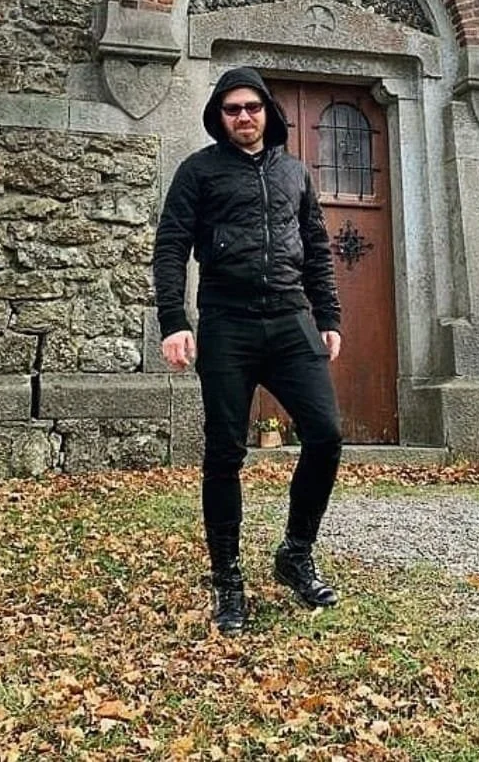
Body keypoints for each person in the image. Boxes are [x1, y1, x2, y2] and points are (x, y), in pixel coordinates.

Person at [153, 66, 343, 635]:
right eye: (232, 109)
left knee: (326, 434)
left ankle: (296, 553)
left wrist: (328, 316)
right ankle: (227, 578)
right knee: (225, 454)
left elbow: (316, 247)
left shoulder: (294, 173)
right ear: (220, 116)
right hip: (227, 324)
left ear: (268, 114)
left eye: (252, 107)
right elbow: (171, 246)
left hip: (290, 320)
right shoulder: (198, 171)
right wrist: (174, 321)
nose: (243, 117)